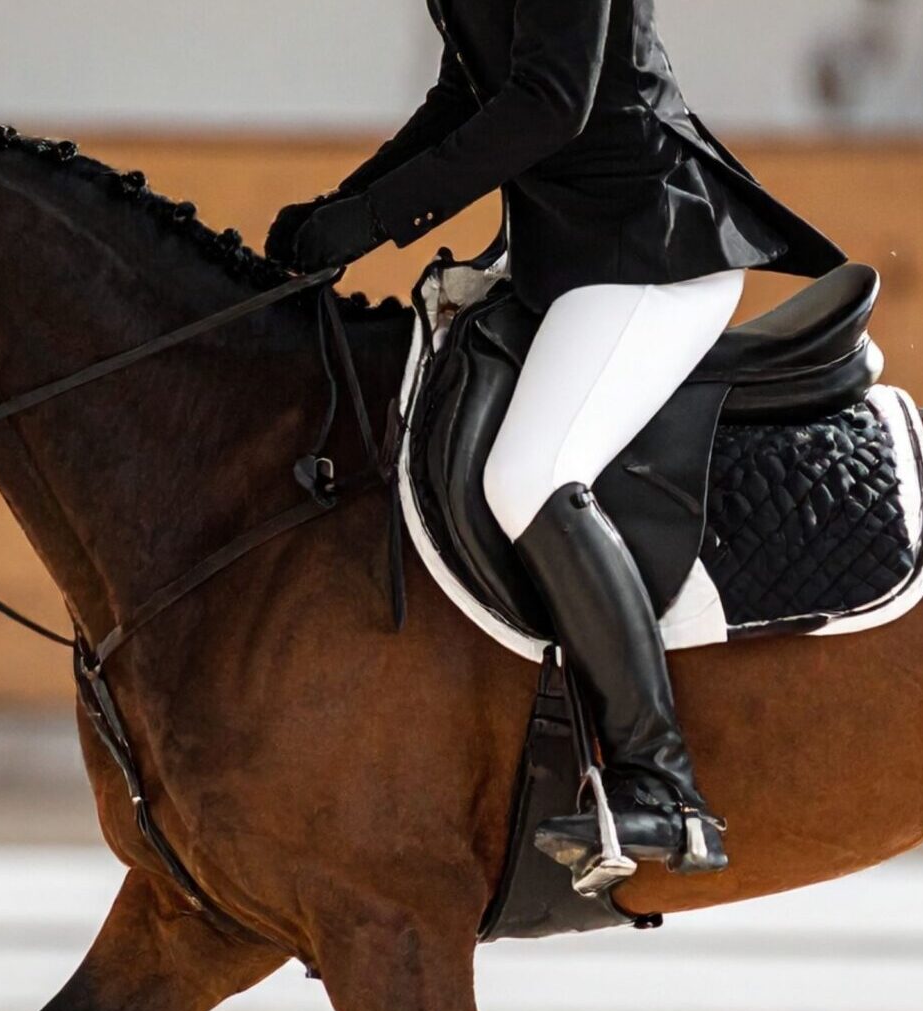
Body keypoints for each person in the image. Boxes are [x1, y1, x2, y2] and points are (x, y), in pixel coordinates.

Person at [268, 0, 844, 879]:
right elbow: (466, 92)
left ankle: (664, 785)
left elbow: (550, 101)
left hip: (652, 249)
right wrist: (344, 209)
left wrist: (379, 215)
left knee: (530, 475)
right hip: (564, 257)